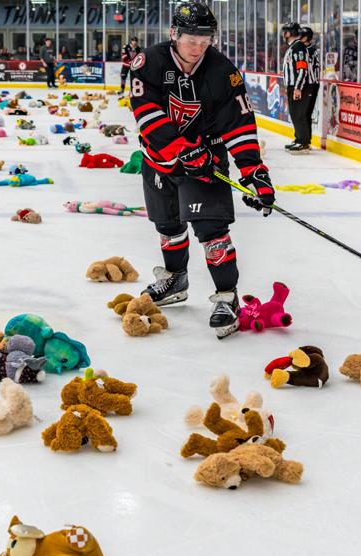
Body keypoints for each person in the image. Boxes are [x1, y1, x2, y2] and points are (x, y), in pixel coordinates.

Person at [129, 1, 276, 339]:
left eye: (205, 40)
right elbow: (147, 114)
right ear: (174, 35)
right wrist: (182, 150)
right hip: (159, 159)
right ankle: (175, 280)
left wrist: (254, 172)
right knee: (167, 225)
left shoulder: (222, 71)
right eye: (191, 39)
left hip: (206, 162)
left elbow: (239, 124)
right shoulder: (148, 63)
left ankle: (227, 297)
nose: (197, 47)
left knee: (212, 232)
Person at [281, 23, 317, 151]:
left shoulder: (298, 47)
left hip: (301, 86)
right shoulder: (294, 47)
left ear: (289, 33)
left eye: (285, 31)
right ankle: (300, 139)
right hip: (295, 86)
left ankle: (303, 141)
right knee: (295, 113)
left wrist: (298, 88)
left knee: (299, 114)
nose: (283, 34)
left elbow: (302, 69)